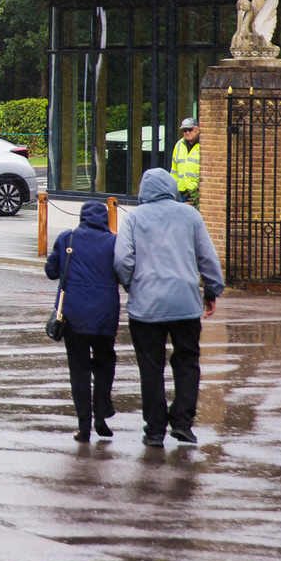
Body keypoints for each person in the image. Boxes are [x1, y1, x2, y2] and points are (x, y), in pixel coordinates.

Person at [113, 167, 225, 447]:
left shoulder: (134, 218)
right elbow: (207, 256)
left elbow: (122, 259)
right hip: (185, 304)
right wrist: (211, 290)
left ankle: (154, 430)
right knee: (187, 362)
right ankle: (183, 422)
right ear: (172, 188)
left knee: (150, 368)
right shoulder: (190, 215)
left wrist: (131, 285)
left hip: (145, 307)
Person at [46, 200, 123, 442]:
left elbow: (51, 271)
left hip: (74, 314)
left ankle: (84, 426)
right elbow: (123, 272)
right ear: (105, 219)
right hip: (105, 315)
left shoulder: (67, 239)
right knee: (105, 363)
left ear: (81, 218)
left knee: (78, 370)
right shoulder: (114, 242)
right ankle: (101, 415)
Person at [171, 116, 202, 205]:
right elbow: (174, 168)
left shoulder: (203, 145)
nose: (187, 132)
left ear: (197, 129)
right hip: (183, 192)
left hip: (197, 192)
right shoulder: (179, 145)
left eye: (190, 129)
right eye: (184, 130)